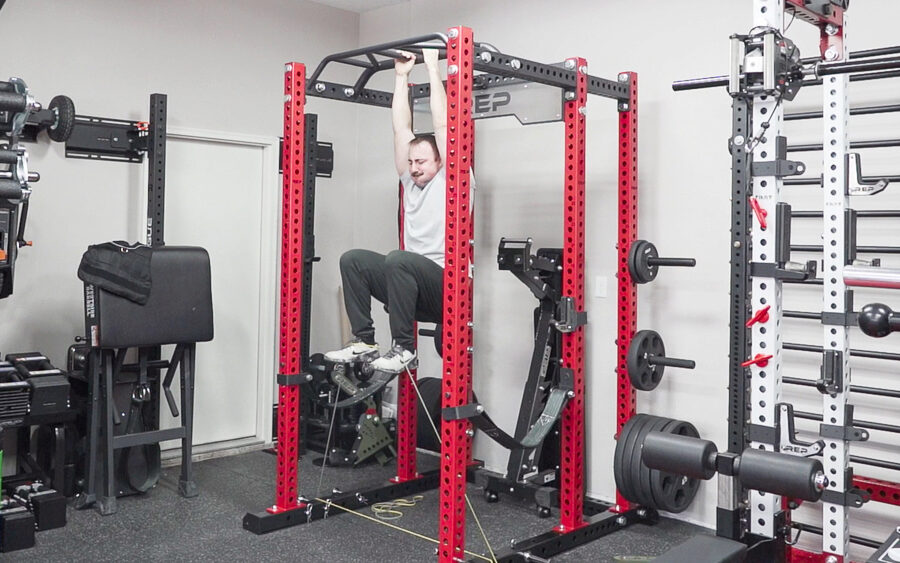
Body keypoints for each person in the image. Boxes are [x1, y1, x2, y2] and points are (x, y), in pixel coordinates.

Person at [325, 48, 448, 373]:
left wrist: (434, 68)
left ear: (439, 161)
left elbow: (442, 122)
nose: (414, 167)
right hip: (408, 285)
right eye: (411, 162)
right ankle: (363, 340)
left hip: (445, 288)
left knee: (398, 258)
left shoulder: (454, 181)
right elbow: (400, 129)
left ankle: (404, 348)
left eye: (421, 161)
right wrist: (401, 76)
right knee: (354, 260)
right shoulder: (409, 181)